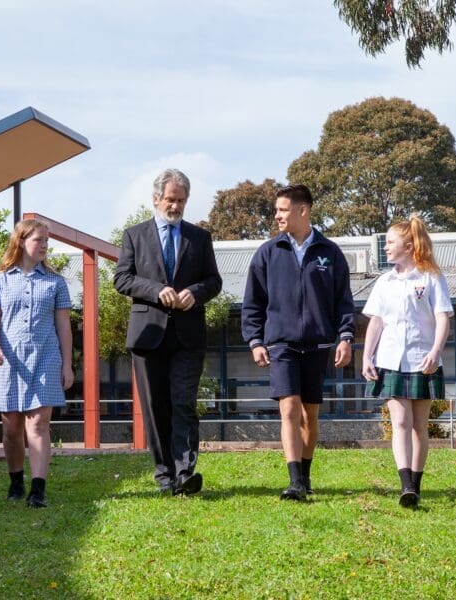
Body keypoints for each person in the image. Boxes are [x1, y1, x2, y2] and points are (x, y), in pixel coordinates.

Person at [242, 184, 355, 501]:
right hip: (282, 345)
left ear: (302, 210)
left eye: (282, 209)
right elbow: (253, 303)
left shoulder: (330, 253)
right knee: (289, 409)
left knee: (310, 414)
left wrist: (345, 337)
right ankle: (293, 482)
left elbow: (343, 302)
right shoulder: (267, 253)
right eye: (276, 210)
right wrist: (255, 340)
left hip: (318, 346)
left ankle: (305, 477)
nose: (276, 215)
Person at [114, 168, 222, 495]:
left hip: (188, 336)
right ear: (156, 198)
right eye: (171, 200)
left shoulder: (199, 238)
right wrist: (154, 289)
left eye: (182, 201)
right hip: (148, 336)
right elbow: (122, 279)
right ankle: (165, 476)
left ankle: (185, 472)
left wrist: (196, 292)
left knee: (183, 401)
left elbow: (214, 281)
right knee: (156, 406)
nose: (175, 207)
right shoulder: (134, 235)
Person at [0, 219, 74, 508]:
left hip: (45, 358)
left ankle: (38, 489)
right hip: (7, 360)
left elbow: (64, 326)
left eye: (47, 241)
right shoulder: (0, 279)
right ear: (21, 241)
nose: (45, 245)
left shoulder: (56, 282)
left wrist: (67, 364)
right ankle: (16, 481)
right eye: (39, 240)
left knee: (39, 424)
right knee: (11, 428)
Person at [361, 215, 452, 508]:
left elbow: (442, 317)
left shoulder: (431, 277)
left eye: (390, 242)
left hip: (422, 359)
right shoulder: (384, 282)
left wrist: (436, 352)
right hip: (390, 361)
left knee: (418, 426)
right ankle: (406, 485)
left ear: (409, 245)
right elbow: (376, 321)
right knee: (400, 421)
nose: (385, 248)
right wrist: (367, 356)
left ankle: (417, 481)